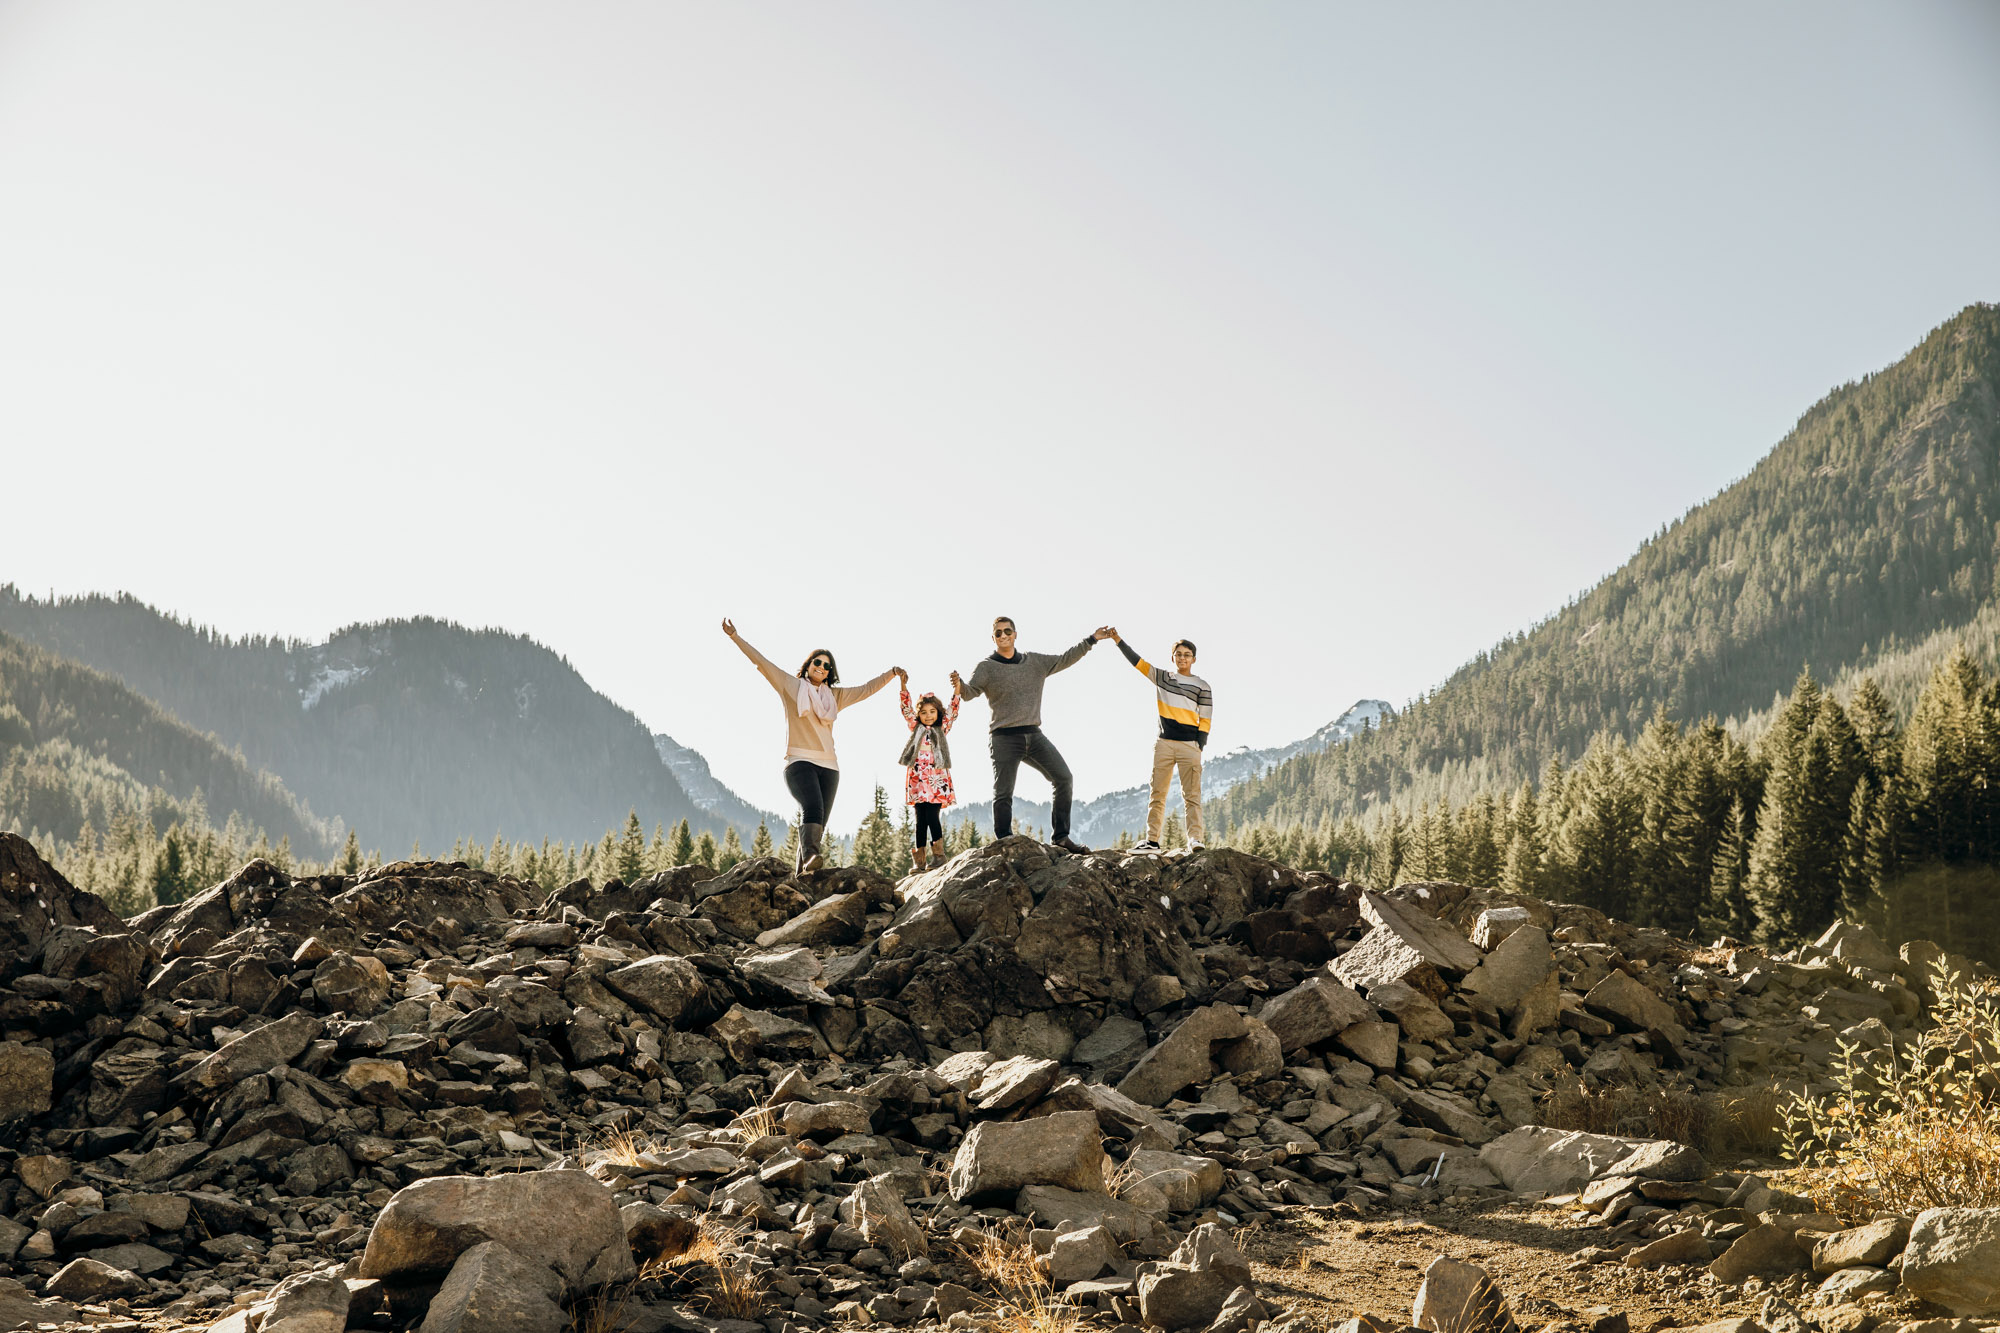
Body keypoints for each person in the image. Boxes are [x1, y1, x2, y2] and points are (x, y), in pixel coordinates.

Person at [722, 618, 898, 874]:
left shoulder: (834, 697)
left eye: (827, 666)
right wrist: (735, 637)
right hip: (799, 762)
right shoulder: (790, 686)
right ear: (808, 665)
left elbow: (865, 689)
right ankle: (812, 857)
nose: (822, 667)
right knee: (812, 807)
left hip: (829, 766)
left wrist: (891, 673)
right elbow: (761, 661)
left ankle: (801, 876)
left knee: (817, 824)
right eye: (818, 662)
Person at [951, 616, 1114, 854]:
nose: (1004, 635)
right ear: (993, 638)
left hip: (1034, 735)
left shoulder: (1034, 662)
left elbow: (1065, 658)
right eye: (998, 633)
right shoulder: (986, 667)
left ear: (1016, 634)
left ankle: (1061, 837)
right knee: (1004, 791)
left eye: (1008, 631)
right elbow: (969, 693)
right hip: (1004, 737)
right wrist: (959, 687)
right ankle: (1005, 841)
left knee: (1064, 778)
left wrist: (1092, 639)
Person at [1113, 632, 1213, 851]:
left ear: (1194, 659)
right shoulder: (1163, 677)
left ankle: (1195, 840)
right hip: (1164, 744)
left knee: (1192, 796)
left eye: (1187, 655)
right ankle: (1152, 841)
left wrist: (1199, 745)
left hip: (1190, 746)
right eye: (1178, 654)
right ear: (1172, 658)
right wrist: (1118, 641)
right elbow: (1138, 663)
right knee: (1157, 793)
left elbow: (1205, 718)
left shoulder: (1202, 685)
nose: (1182, 658)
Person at [896, 671, 960, 873]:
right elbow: (906, 709)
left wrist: (957, 687)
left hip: (936, 779)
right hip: (917, 779)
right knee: (920, 819)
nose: (928, 716)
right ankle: (919, 861)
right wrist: (903, 685)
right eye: (924, 712)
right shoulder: (916, 727)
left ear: (938, 712)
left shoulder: (943, 727)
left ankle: (939, 856)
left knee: (933, 816)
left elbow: (954, 709)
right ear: (919, 715)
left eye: (932, 712)